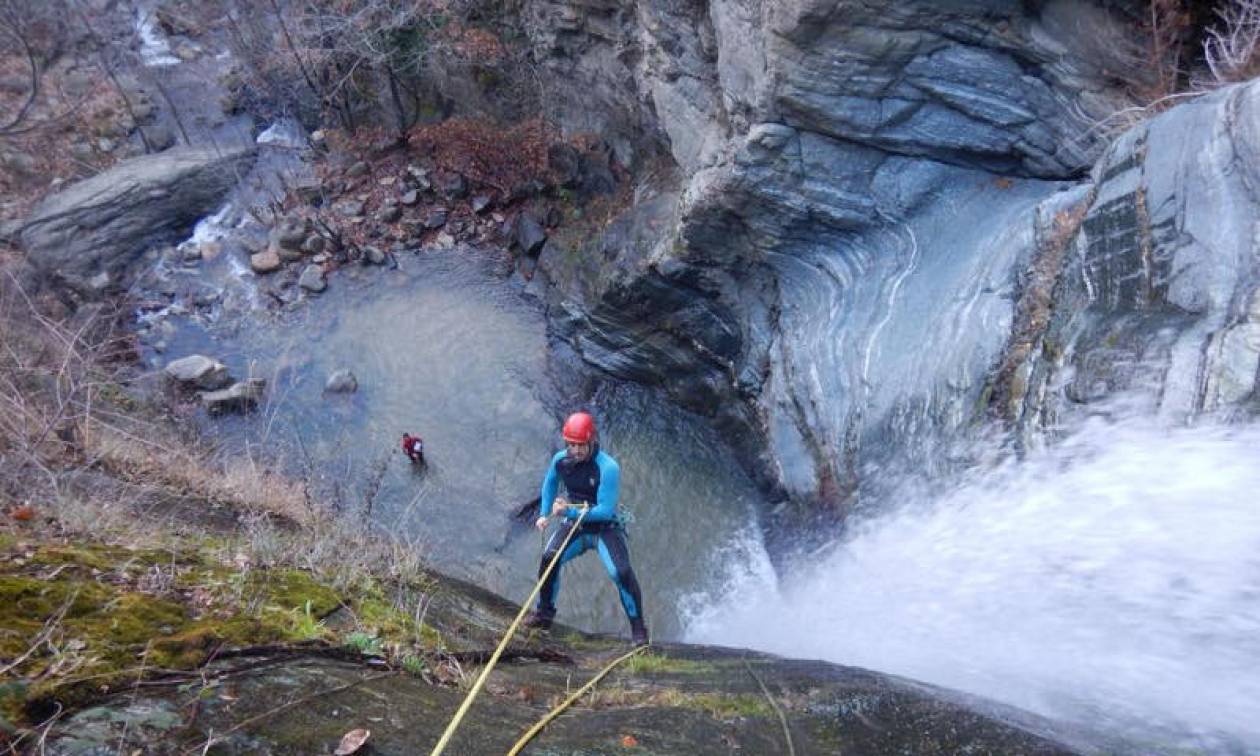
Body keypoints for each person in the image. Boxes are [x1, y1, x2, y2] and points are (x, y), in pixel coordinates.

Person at [524, 411, 648, 645]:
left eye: (581, 445)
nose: (577, 450)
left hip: (604, 527)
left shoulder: (608, 467)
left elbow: (605, 510)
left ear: (592, 440)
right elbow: (549, 484)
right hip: (575, 525)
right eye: (571, 445)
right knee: (549, 559)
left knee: (620, 572)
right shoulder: (561, 460)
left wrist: (568, 512)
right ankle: (544, 614)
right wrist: (543, 514)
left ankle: (639, 629)